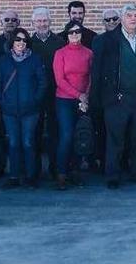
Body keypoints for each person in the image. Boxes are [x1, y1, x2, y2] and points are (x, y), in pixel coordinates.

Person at [90, 3, 136, 189]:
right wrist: (101, 99)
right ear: (122, 18)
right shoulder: (105, 40)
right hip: (117, 99)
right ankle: (113, 176)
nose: (133, 19)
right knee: (115, 139)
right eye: (129, 15)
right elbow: (96, 72)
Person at [0, 28, 47, 188]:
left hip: (30, 110)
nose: (21, 43)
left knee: (28, 142)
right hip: (9, 110)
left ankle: (31, 176)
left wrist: (35, 100)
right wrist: (1, 101)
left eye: (24, 40)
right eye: (18, 39)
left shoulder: (35, 59)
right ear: (12, 42)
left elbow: (42, 82)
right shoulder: (4, 60)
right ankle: (14, 176)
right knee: (13, 143)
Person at [52, 20, 93, 190]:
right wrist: (79, 95)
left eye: (77, 31)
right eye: (71, 32)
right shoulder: (60, 53)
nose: (74, 35)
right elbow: (59, 80)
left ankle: (75, 172)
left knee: (79, 136)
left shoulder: (89, 53)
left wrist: (86, 98)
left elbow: (91, 77)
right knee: (67, 136)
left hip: (82, 101)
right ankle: (61, 173)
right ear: (67, 35)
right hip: (64, 99)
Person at [32, 6, 65, 182]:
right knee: (34, 133)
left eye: (45, 20)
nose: (42, 24)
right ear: (33, 23)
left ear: (50, 22)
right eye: (38, 21)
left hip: (55, 94)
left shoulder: (59, 42)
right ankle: (34, 170)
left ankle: (54, 168)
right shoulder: (28, 43)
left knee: (55, 133)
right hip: (35, 96)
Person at [0, 9, 20, 179]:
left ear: (18, 23)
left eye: (13, 20)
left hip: (20, 96)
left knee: (19, 135)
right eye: (6, 19)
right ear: (1, 23)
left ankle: (19, 167)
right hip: (0, 96)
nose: (10, 22)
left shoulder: (24, 41)